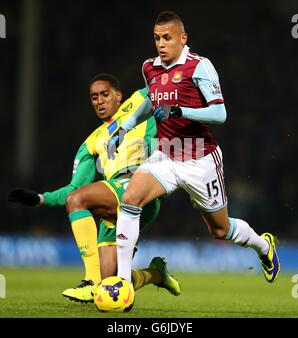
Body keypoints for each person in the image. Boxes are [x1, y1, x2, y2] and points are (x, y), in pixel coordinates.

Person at [113, 11, 280, 286]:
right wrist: (126, 126)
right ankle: (122, 283)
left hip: (200, 159)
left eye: (167, 38)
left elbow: (220, 113)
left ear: (183, 38)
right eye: (156, 38)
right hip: (166, 154)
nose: (161, 44)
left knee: (220, 230)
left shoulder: (199, 66)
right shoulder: (149, 68)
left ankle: (263, 247)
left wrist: (179, 110)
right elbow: (150, 102)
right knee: (131, 199)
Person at [8, 73, 180, 303]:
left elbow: (164, 82)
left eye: (105, 95)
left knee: (79, 202)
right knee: (111, 285)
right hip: (114, 198)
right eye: (94, 97)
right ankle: (156, 274)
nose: (99, 101)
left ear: (119, 95)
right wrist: (40, 199)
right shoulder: (91, 142)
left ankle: (89, 280)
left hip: (138, 186)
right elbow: (74, 189)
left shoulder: (138, 105)